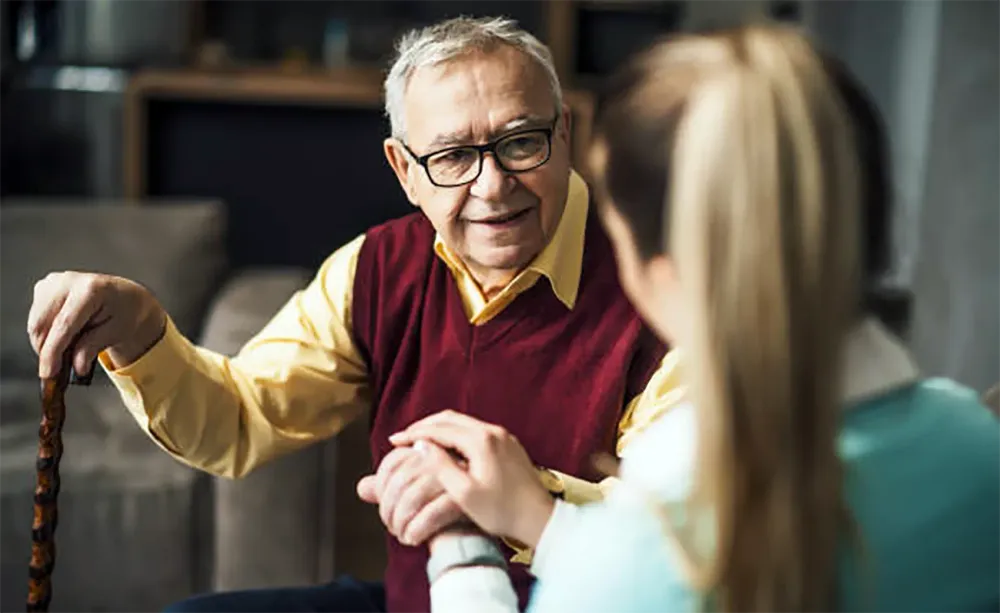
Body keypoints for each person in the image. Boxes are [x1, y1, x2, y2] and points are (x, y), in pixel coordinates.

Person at [25, 16, 684, 613]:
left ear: (565, 131)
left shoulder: (658, 286)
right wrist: (143, 333)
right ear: (405, 170)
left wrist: (519, 497)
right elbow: (240, 417)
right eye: (453, 156)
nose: (491, 185)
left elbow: (678, 553)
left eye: (520, 143)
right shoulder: (375, 269)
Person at [387, 23, 1000, 613]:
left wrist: (462, 553)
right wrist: (544, 523)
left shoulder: (639, 560)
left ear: (662, 268)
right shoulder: (978, 449)